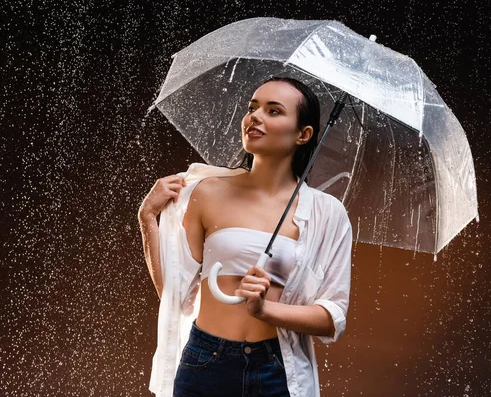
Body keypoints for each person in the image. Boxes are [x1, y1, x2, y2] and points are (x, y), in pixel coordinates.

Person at [138, 77, 352, 397]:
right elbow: (175, 294)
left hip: (276, 370)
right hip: (204, 361)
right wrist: (147, 220)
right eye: (253, 107)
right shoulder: (206, 192)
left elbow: (332, 318)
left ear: (303, 135)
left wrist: (266, 311)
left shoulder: (327, 213)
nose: (256, 116)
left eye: (274, 111)